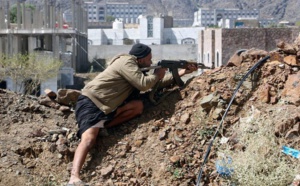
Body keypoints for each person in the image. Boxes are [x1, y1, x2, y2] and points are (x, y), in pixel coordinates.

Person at [67, 43, 197, 185]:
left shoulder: (136, 69)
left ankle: (103, 128)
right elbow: (143, 84)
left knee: (137, 106)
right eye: (149, 60)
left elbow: (154, 84)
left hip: (108, 107)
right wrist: (157, 75)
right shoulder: (126, 61)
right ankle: (74, 177)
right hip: (92, 102)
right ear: (140, 60)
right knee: (89, 140)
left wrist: (182, 73)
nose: (151, 63)